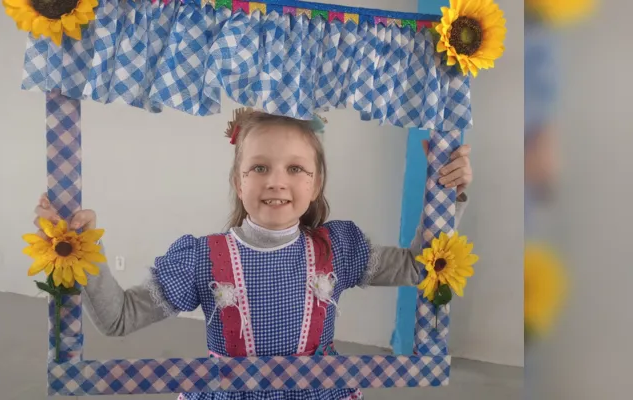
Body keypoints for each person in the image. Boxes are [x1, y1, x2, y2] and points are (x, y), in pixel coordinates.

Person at [32, 109, 473, 400]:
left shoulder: (338, 250)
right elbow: (118, 317)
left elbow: (422, 266)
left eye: (295, 168)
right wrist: (81, 250)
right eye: (259, 167)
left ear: (315, 184)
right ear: (239, 182)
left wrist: (444, 193)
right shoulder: (202, 259)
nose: (276, 181)